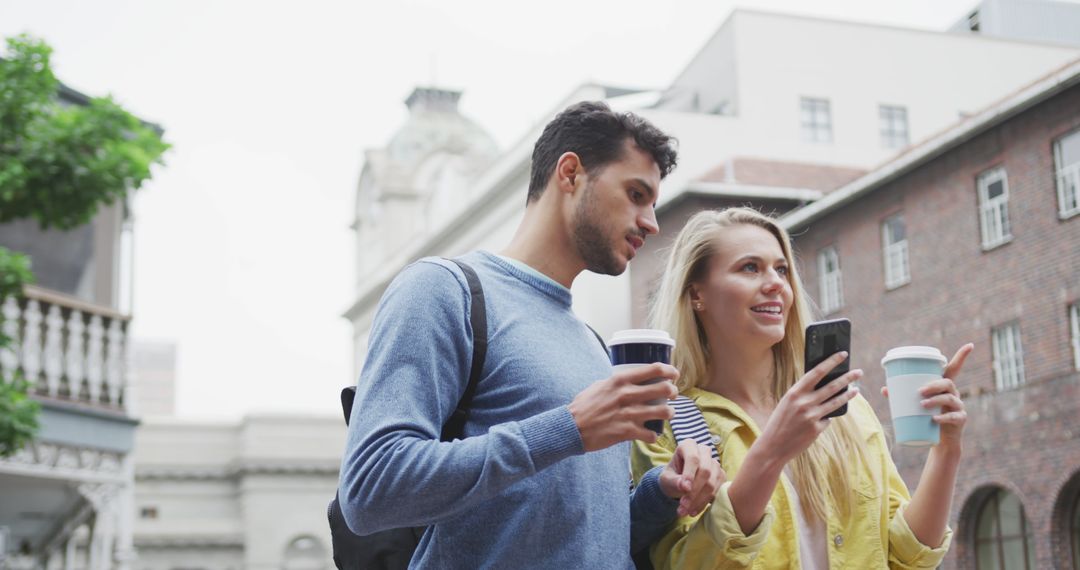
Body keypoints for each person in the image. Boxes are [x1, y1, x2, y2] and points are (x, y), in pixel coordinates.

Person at [338, 101, 725, 569]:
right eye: (636, 194)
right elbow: (370, 490)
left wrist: (661, 492)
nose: (651, 222)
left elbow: (588, 541)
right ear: (570, 174)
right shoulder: (445, 289)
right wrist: (568, 429)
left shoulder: (592, 344)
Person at [632, 207, 973, 569]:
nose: (777, 283)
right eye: (750, 267)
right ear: (697, 293)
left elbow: (908, 557)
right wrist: (772, 451)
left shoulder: (842, 407)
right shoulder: (664, 422)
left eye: (781, 269)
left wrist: (947, 450)